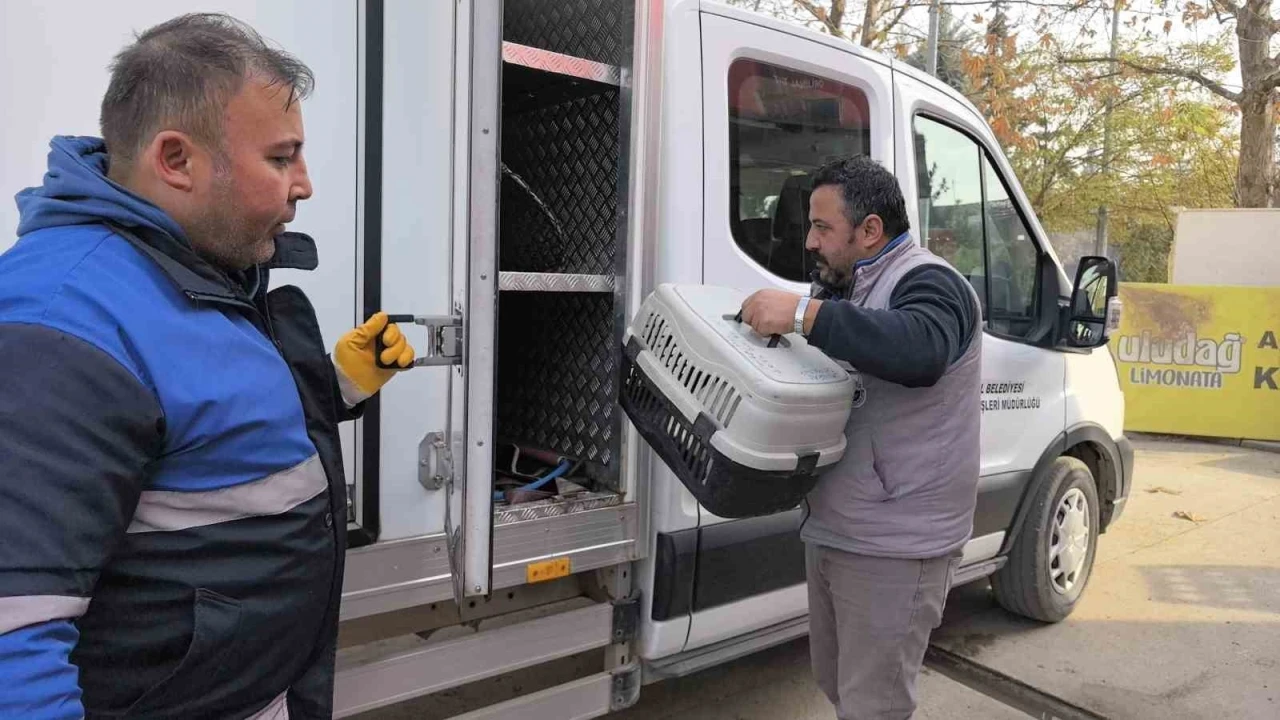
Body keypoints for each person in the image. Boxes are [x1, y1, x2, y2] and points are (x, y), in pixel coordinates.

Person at [0, 14, 414, 719]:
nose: (305, 184)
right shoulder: (64, 320)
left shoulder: (193, 269)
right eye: (282, 158)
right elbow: (16, 631)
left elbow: (201, 438)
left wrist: (333, 385)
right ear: (177, 160)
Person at [739, 155, 982, 720]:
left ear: (870, 230)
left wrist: (804, 315)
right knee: (837, 683)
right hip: (837, 528)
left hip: (896, 542)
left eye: (823, 228)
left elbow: (921, 349)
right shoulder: (850, 287)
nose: (810, 242)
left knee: (873, 706)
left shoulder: (931, 281)